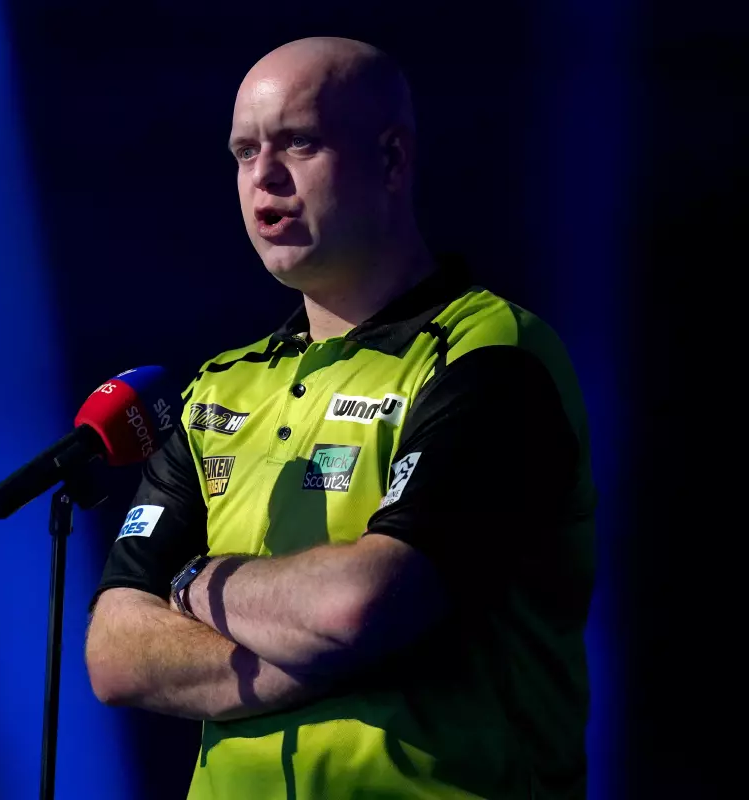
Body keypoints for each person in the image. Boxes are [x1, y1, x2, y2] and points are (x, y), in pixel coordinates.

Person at [85, 36, 595, 800]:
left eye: (300, 142)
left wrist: (191, 580)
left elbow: (361, 604)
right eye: (244, 151)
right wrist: (330, 645)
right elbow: (115, 652)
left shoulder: (492, 353)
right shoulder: (220, 389)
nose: (265, 178)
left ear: (391, 160)